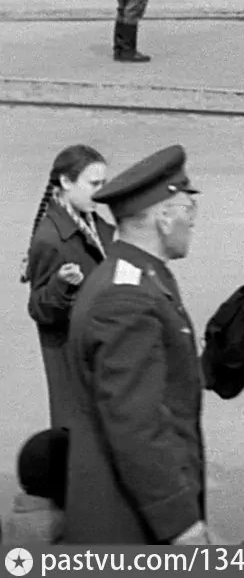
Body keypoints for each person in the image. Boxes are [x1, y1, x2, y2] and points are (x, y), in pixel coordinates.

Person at [62, 145, 209, 545]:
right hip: (129, 526)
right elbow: (136, 425)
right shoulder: (126, 298)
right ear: (163, 218)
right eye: (187, 209)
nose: (192, 221)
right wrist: (181, 523)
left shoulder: (139, 275)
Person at [22, 144, 112, 431]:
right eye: (93, 183)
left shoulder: (92, 222)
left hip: (97, 351)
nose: (99, 192)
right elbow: (39, 308)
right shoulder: (51, 238)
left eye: (103, 184)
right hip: (73, 362)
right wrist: (61, 285)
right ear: (65, 182)